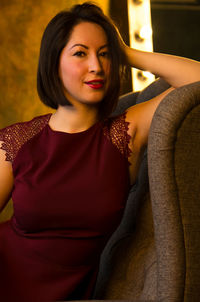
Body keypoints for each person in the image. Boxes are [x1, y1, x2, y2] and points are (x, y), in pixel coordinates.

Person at [0, 2, 199, 301]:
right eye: (80, 53)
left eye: (104, 54)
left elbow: (196, 81)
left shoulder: (125, 132)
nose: (96, 65)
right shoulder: (15, 141)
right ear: (53, 62)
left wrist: (126, 52)